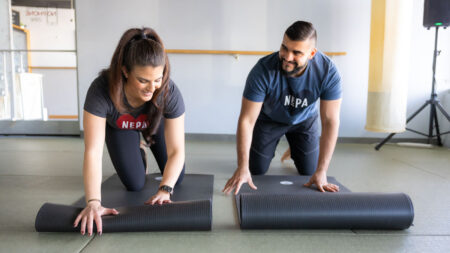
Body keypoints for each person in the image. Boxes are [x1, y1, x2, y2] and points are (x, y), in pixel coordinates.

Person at [73, 27, 186, 236]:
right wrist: (93, 202)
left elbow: (177, 150)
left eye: (157, 79)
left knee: (176, 179)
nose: (151, 88)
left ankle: (145, 142)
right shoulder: (101, 90)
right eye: (143, 80)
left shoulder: (168, 92)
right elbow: (93, 152)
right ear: (125, 71)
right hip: (120, 127)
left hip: (156, 125)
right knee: (135, 184)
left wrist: (164, 189)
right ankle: (139, 150)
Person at [223, 21, 342, 195]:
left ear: (312, 53)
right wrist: (242, 167)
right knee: (256, 170)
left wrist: (322, 171)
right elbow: (247, 120)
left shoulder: (328, 72)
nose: (287, 57)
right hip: (269, 120)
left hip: (304, 120)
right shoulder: (262, 70)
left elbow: (331, 121)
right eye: (284, 48)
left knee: (309, 171)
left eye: (297, 53)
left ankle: (295, 144)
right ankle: (286, 143)